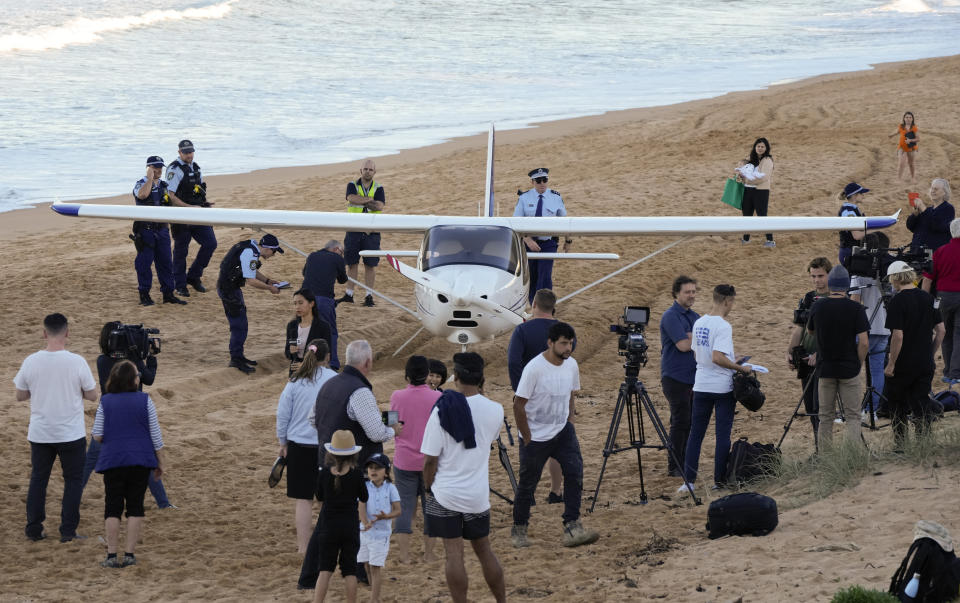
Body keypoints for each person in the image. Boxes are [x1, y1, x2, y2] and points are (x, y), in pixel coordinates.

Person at [300, 340, 403, 590]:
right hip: (354, 467)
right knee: (357, 518)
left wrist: (334, 435)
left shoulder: (329, 384)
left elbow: (313, 419)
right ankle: (351, 572)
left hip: (326, 462)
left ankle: (312, 577)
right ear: (367, 362)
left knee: (333, 518)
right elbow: (376, 432)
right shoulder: (360, 391)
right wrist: (394, 430)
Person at [420, 352, 506, 603]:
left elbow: (430, 460)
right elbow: (487, 440)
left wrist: (428, 487)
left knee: (453, 554)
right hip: (477, 493)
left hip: (446, 491)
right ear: (481, 378)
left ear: (455, 376)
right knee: (484, 551)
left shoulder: (442, 410)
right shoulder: (495, 410)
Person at [511, 322, 598, 549]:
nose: (568, 347)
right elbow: (518, 405)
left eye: (570, 343)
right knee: (528, 483)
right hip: (536, 435)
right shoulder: (534, 368)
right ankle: (519, 529)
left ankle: (572, 525)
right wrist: (527, 436)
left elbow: (570, 393)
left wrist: (570, 419)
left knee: (575, 472)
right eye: (563, 343)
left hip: (562, 430)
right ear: (550, 343)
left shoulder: (571, 365)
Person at [14, 313, 98, 543]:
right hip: (70, 433)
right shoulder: (76, 361)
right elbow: (92, 395)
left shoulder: (31, 361)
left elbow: (20, 395)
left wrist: (39, 389)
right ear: (67, 333)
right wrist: (76, 391)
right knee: (73, 481)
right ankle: (68, 531)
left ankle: (34, 528)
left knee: (39, 479)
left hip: (41, 432)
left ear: (44, 333)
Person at [81, 321, 174, 510]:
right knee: (146, 459)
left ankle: (74, 491)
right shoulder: (134, 362)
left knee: (90, 460)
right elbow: (149, 379)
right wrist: (150, 357)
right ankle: (163, 503)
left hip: (108, 415)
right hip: (133, 416)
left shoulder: (102, 360)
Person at [91, 360, 167, 568]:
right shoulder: (145, 400)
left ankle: (111, 555)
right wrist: (160, 462)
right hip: (140, 460)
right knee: (135, 507)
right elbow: (155, 435)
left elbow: (97, 435)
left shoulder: (106, 402)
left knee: (112, 507)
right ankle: (130, 554)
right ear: (133, 380)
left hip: (113, 460)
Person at [679, 285, 753, 492]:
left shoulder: (699, 322)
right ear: (728, 301)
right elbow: (717, 357)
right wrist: (740, 367)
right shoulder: (723, 326)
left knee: (696, 433)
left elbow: (698, 355)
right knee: (722, 435)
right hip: (721, 387)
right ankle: (718, 481)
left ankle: (689, 481)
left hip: (701, 383)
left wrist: (729, 358)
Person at [507, 288, 572, 501]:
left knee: (529, 443)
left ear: (534, 305)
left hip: (530, 395)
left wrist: (519, 390)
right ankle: (556, 490)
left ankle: (529, 493)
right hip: (557, 394)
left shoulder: (522, 331)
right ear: (553, 308)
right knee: (556, 443)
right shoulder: (565, 331)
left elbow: (513, 362)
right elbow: (568, 360)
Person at [276, 339, 336, 553]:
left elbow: (283, 414)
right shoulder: (334, 379)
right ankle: (324, 544)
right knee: (325, 498)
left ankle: (303, 547)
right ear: (327, 356)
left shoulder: (295, 380)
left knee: (303, 499)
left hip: (299, 444)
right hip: (326, 446)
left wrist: (282, 442)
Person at [883, 261, 944, 449]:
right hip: (924, 362)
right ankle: (923, 443)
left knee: (897, 404)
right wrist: (930, 353)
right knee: (921, 402)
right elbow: (941, 331)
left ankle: (901, 445)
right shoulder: (927, 298)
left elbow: (898, 336)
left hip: (903, 363)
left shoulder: (897, 301)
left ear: (895, 279)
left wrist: (891, 363)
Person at [807, 265, 870, 447]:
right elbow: (864, 342)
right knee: (852, 415)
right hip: (848, 368)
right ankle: (852, 455)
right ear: (846, 286)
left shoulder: (818, 306)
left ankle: (826, 456)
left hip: (825, 367)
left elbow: (810, 331)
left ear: (831, 284)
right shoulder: (855, 308)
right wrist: (857, 363)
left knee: (825, 416)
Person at [389, 355, 441, 564]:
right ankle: (428, 554)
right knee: (431, 507)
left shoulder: (397, 395)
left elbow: (390, 424)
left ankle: (404, 555)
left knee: (405, 507)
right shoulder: (437, 397)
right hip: (430, 462)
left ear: (407, 375)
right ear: (426, 375)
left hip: (404, 460)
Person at [309, 430, 368, 603]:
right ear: (353, 454)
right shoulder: (357, 475)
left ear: (331, 453)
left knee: (325, 570)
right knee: (350, 571)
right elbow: (364, 498)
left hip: (328, 526)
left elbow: (319, 498)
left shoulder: (325, 474)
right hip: (349, 526)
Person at [216, 233, 284, 373]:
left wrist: (267, 280)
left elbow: (251, 270)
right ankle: (235, 359)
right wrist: (270, 288)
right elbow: (251, 280)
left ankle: (238, 356)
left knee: (241, 324)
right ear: (268, 249)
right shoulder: (250, 253)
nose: (273, 255)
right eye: (274, 252)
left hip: (231, 288)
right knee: (239, 326)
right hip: (229, 290)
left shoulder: (251, 247)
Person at [131, 155, 190, 306]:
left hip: (162, 231)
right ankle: (144, 294)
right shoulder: (141, 184)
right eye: (155, 167)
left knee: (165, 263)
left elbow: (171, 204)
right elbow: (142, 195)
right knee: (144, 264)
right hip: (146, 231)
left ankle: (168, 294)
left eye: (160, 167)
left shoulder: (164, 185)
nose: (158, 170)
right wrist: (149, 178)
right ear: (148, 168)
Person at [786, 258, 832, 444]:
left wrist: (819, 354)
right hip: (806, 358)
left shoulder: (836, 298)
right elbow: (799, 328)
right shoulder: (808, 298)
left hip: (825, 360)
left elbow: (836, 335)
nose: (816, 280)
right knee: (811, 408)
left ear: (829, 274)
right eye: (813, 276)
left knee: (822, 408)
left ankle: (825, 449)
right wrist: (790, 352)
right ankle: (818, 448)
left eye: (820, 276)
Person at [166, 139, 217, 297]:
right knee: (181, 251)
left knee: (210, 243)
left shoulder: (196, 168)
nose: (189, 154)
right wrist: (189, 208)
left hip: (197, 213)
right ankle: (180, 285)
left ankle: (193, 277)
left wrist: (204, 203)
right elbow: (170, 196)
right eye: (186, 152)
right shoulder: (174, 169)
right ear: (179, 152)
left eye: (191, 151)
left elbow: (198, 191)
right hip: (181, 216)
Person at [659, 276, 700, 477]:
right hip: (675, 377)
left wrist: (690, 336)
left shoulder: (695, 316)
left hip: (693, 377)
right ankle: (674, 465)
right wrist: (694, 337)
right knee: (680, 420)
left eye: (693, 291)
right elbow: (683, 345)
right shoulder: (670, 316)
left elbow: (700, 341)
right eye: (687, 292)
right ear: (676, 293)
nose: (691, 295)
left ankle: (684, 461)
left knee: (689, 420)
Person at [513, 168, 573, 304]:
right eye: (539, 181)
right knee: (532, 276)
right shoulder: (524, 198)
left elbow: (564, 221)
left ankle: (545, 307)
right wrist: (528, 240)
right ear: (532, 182)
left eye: (545, 180)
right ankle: (534, 305)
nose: (542, 183)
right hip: (528, 244)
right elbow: (516, 223)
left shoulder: (556, 197)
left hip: (548, 243)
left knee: (544, 276)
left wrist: (568, 240)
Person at [849, 234, 891, 419]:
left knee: (854, 370)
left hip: (864, 328)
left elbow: (855, 303)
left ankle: (857, 409)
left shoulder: (858, 274)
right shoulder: (886, 272)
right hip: (883, 327)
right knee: (876, 371)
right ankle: (873, 409)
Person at [339, 159, 385, 308]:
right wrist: (369, 200)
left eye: (371, 169)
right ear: (360, 170)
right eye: (365, 169)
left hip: (372, 231)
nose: (367, 171)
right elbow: (351, 198)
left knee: (370, 265)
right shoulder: (352, 185)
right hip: (353, 229)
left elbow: (379, 205)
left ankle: (368, 296)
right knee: (352, 263)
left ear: (374, 172)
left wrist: (362, 200)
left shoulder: (379, 187)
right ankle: (349, 294)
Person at [358, 453, 401, 603]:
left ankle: (374, 599)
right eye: (370, 467)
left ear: (386, 471)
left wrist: (386, 516)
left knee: (375, 567)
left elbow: (398, 510)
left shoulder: (391, 488)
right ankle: (376, 596)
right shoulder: (364, 486)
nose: (373, 470)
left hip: (381, 535)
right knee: (367, 565)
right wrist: (365, 523)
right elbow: (361, 507)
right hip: (364, 532)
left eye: (377, 468)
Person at [922, 219, 960, 383]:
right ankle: (956, 372)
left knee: (945, 333)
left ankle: (947, 370)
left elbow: (928, 278)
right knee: (959, 334)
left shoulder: (941, 251)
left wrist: (923, 299)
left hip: (943, 296)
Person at [302, 240, 348, 370]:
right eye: (341, 252)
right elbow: (343, 279)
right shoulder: (337, 258)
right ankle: (332, 363)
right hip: (323, 299)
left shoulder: (312, 255)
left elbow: (304, 273)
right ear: (336, 249)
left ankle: (307, 361)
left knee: (308, 331)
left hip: (304, 298)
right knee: (330, 332)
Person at [737, 137, 775, 247]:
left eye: (762, 146)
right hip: (747, 190)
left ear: (766, 148)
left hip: (761, 192)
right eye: (758, 146)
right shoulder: (749, 158)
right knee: (746, 215)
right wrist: (741, 173)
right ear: (755, 147)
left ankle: (770, 240)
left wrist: (747, 179)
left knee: (762, 215)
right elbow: (741, 168)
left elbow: (763, 177)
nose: (760, 148)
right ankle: (746, 239)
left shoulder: (768, 160)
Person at [284, 288, 332, 378]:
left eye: (300, 303)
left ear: (311, 304)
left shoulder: (323, 327)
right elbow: (287, 353)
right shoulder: (292, 326)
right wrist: (290, 351)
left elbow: (328, 355)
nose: (297, 307)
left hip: (315, 373)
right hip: (295, 373)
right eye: (295, 303)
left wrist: (305, 366)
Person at [907, 178, 954, 253]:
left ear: (944, 192)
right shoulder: (928, 210)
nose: (932, 191)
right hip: (915, 252)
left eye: (936, 189)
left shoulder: (948, 208)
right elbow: (910, 227)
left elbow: (936, 225)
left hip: (932, 256)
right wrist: (915, 214)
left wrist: (923, 208)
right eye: (932, 188)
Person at [836, 182, 869, 267]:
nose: (863, 196)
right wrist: (875, 230)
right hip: (849, 252)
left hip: (852, 250)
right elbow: (856, 235)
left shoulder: (851, 209)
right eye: (861, 193)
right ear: (854, 195)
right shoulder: (849, 212)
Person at [891, 111, 919, 183]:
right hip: (902, 148)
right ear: (904, 118)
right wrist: (891, 135)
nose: (908, 119)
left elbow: (918, 139)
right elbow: (897, 132)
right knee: (901, 163)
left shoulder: (914, 127)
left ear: (912, 119)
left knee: (911, 164)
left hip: (911, 148)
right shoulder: (901, 126)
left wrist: (910, 140)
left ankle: (913, 178)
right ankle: (898, 179)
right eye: (906, 117)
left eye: (910, 117)